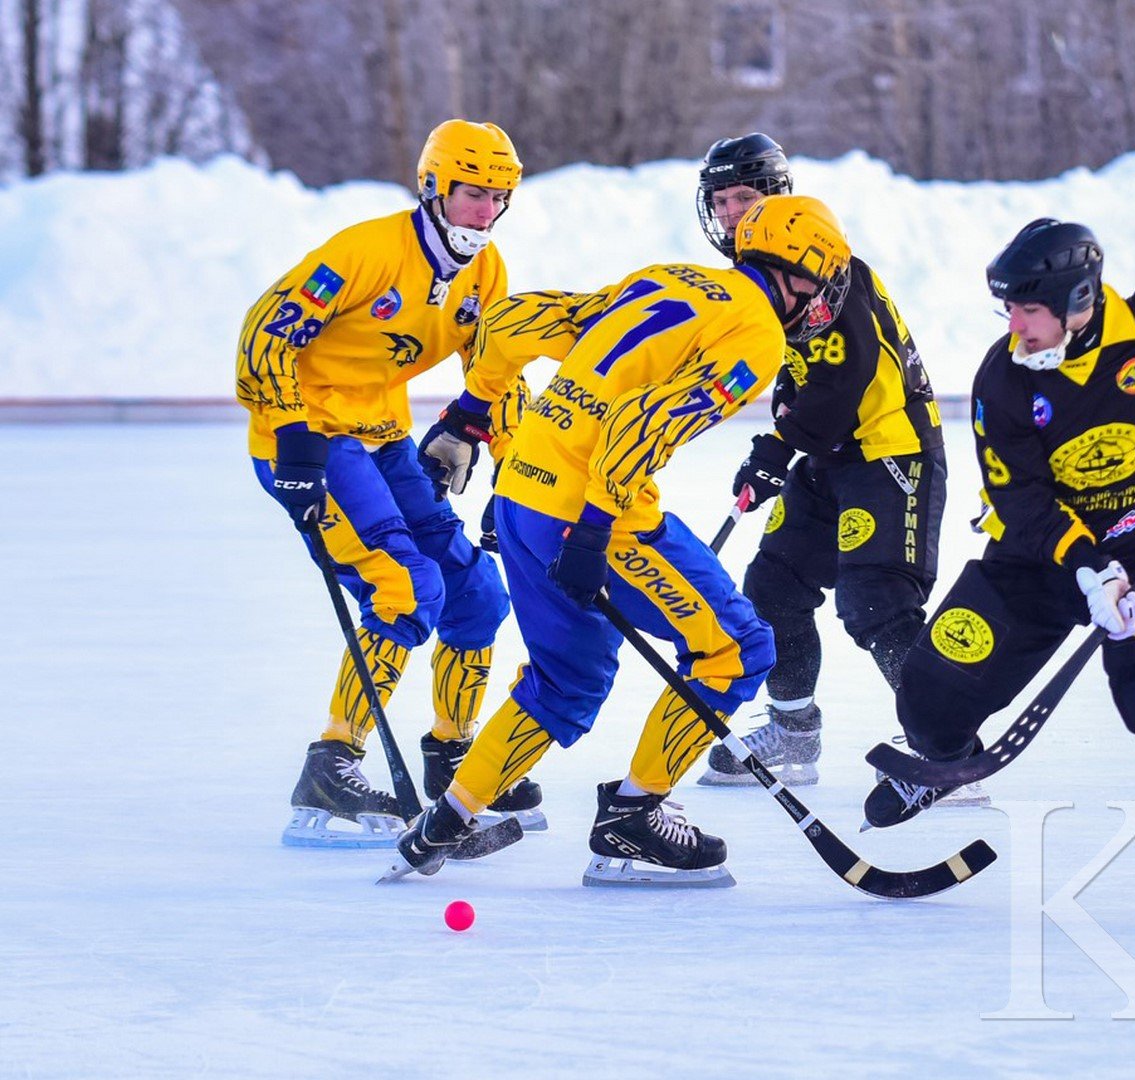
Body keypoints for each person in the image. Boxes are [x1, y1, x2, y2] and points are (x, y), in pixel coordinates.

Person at [394, 194, 855, 886]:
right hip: (591, 514)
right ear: (798, 274)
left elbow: (519, 319)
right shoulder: (756, 334)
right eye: (819, 287)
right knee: (736, 650)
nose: (819, 303)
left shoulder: (670, 276)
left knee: (563, 679)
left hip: (522, 494)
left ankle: (445, 821)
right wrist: (593, 528)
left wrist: (470, 415)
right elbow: (642, 422)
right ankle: (634, 818)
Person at [863, 218, 1135, 926]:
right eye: (1006, 309)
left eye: (1027, 309)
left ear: (1077, 302)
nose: (1015, 325)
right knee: (928, 691)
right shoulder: (1001, 379)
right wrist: (1089, 569)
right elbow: (1021, 498)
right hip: (1038, 557)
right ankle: (944, 765)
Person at [237, 119, 541, 847]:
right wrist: (292, 438)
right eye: (473, 195)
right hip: (310, 442)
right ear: (433, 186)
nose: (486, 213)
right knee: (404, 588)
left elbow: (496, 375)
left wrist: (517, 474)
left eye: (500, 198)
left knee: (476, 596)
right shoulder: (365, 251)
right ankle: (331, 763)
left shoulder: (484, 269)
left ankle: (451, 755)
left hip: (382, 438)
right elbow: (264, 336)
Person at [685, 134, 974, 805]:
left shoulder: (830, 266)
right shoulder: (751, 282)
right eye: (721, 201)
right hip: (826, 456)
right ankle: (792, 734)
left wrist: (776, 448)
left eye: (745, 198)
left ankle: (946, 748)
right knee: (773, 586)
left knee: (876, 603)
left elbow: (843, 381)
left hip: (888, 451)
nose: (732, 214)